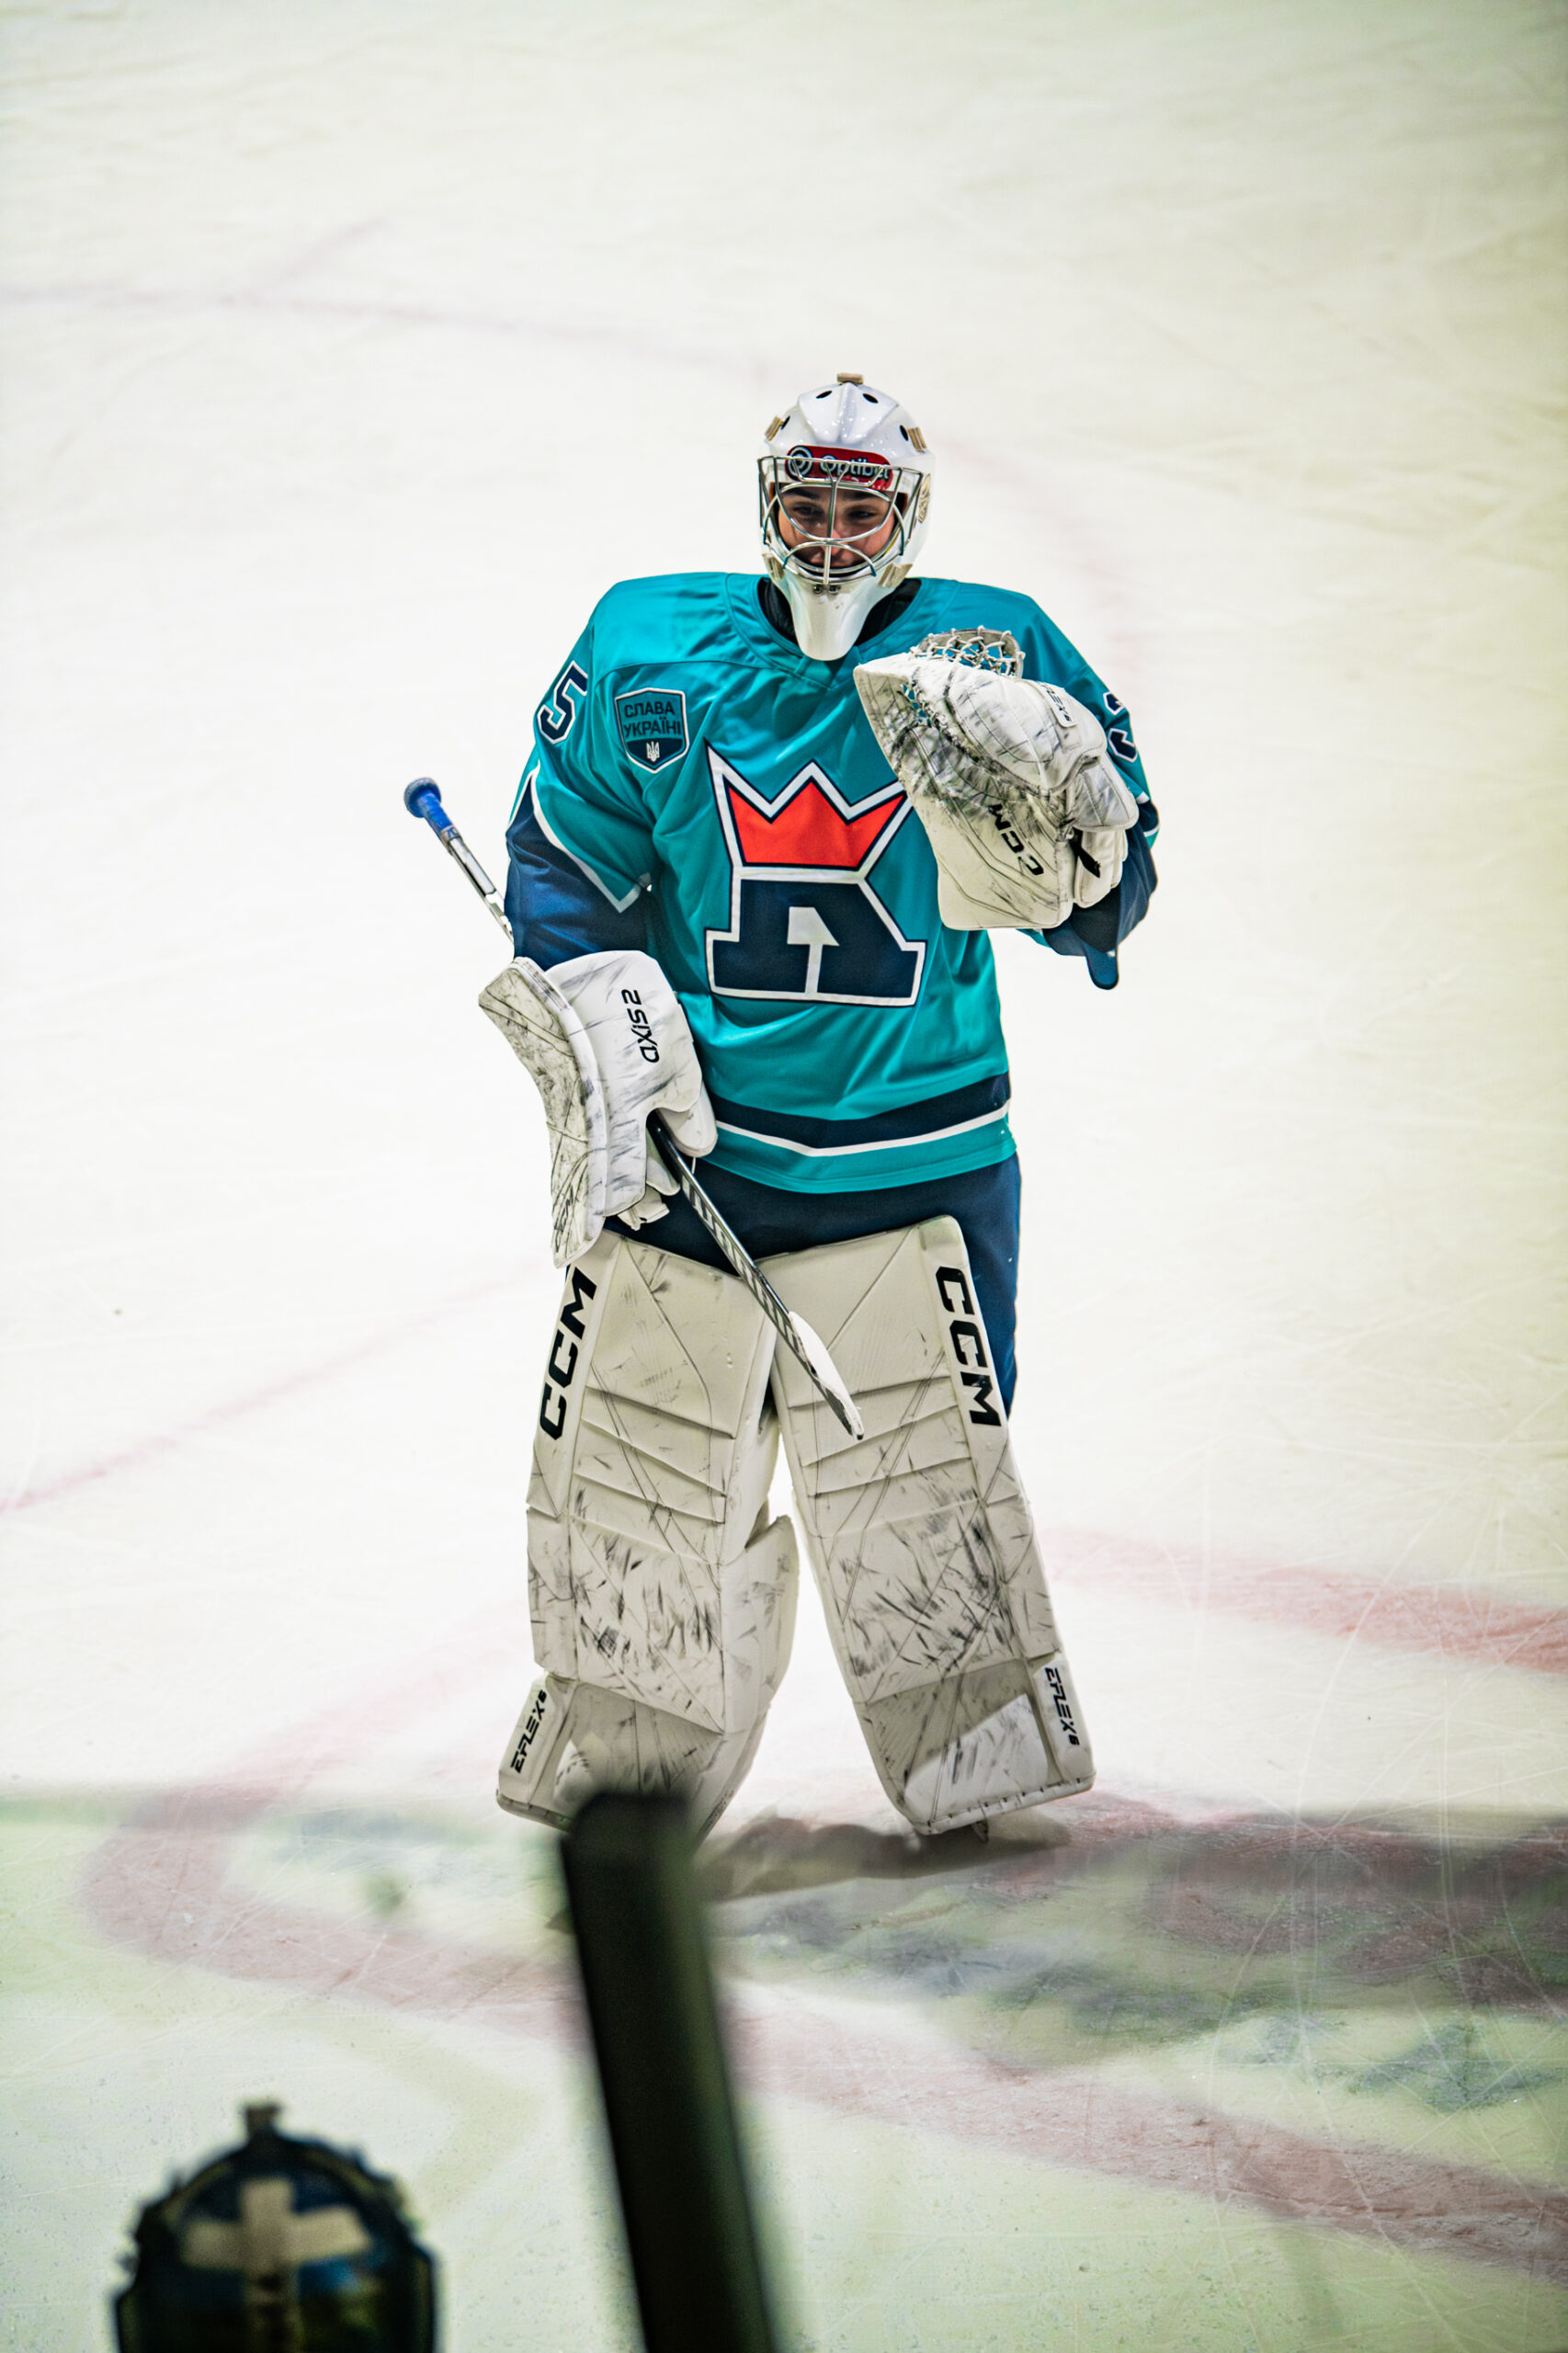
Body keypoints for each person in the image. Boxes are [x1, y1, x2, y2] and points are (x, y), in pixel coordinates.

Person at [483, 374, 1157, 1838]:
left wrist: (1088, 861)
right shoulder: (649, 643)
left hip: (921, 1162)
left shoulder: (998, 654)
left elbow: (1104, 896)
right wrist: (599, 1010)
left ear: (908, 516)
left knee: (922, 1500)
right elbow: (560, 855)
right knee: (646, 1491)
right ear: (763, 505)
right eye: (808, 505)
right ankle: (632, 1788)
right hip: (699, 1159)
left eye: (862, 509)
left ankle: (968, 1762)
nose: (833, 539)